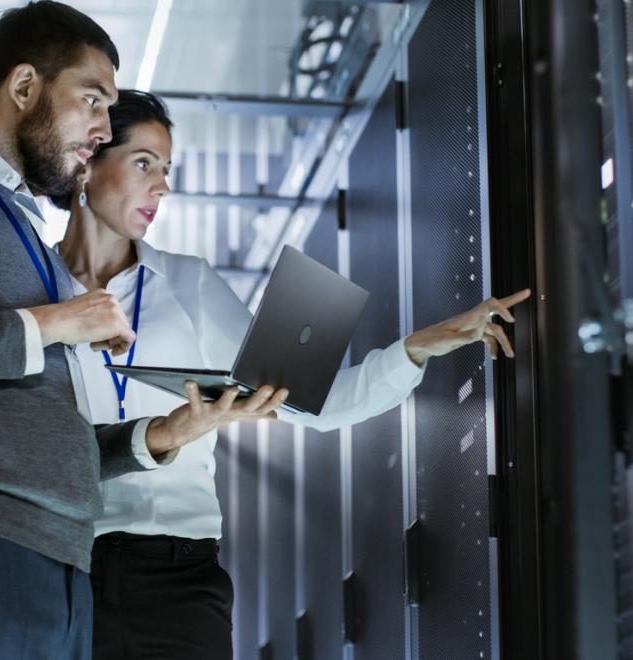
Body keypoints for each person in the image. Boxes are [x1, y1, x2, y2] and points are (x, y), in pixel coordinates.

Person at [54, 89, 531, 660]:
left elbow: (314, 403)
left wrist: (416, 349)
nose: (163, 186)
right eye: (143, 163)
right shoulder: (34, 290)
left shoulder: (189, 284)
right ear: (89, 161)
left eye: (167, 169)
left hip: (176, 577)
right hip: (62, 569)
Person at [0, 4, 287, 660]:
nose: (97, 127)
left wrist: (160, 436)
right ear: (24, 87)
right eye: (91, 100)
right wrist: (62, 320)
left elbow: (42, 427)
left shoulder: (20, 223)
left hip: (60, 565)